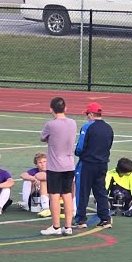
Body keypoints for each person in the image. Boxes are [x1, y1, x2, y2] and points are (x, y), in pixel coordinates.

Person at [39, 97, 77, 236]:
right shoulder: (72, 123)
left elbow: (43, 137)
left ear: (51, 109)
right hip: (69, 165)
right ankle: (68, 226)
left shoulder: (51, 124)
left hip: (55, 166)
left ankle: (55, 227)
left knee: (54, 196)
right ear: (65, 108)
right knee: (67, 195)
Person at [74, 102, 114, 229]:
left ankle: (81, 219)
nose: (86, 117)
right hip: (102, 164)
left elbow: (80, 147)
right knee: (101, 191)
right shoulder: (109, 128)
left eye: (87, 114)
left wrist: (76, 152)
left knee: (82, 191)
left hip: (87, 164)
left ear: (91, 114)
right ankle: (105, 218)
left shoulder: (87, 127)